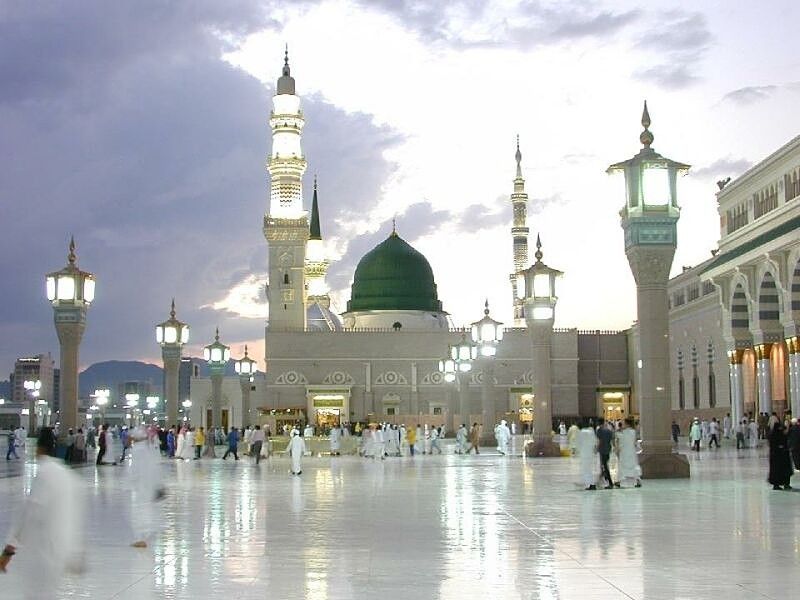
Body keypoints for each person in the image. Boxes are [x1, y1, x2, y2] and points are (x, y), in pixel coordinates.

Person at [0, 427, 86, 599]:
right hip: (60, 551)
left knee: (36, 594)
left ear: (39, 448)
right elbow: (74, 516)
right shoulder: (68, 475)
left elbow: (30, 512)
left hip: (42, 552)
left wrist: (9, 550)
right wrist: (75, 551)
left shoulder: (45, 473)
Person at [128, 426, 164, 548]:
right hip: (149, 484)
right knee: (147, 509)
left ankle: (141, 537)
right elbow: (155, 467)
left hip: (142, 486)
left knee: (140, 511)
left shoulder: (138, 450)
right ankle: (144, 535)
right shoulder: (147, 449)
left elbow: (135, 470)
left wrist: (132, 481)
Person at [615, 418, 641, 488]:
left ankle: (619, 481)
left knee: (622, 466)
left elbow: (621, 440)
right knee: (633, 465)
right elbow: (635, 442)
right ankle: (638, 480)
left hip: (624, 451)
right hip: (632, 451)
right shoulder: (633, 431)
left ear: (627, 424)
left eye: (624, 423)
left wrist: (617, 448)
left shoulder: (623, 432)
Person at [767, 422, 792, 490]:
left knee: (781, 471)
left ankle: (782, 484)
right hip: (779, 456)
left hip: (779, 456)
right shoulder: (777, 435)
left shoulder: (774, 435)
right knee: (780, 471)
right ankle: (779, 485)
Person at [577, 421, 598, 490]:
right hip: (590, 453)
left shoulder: (581, 432)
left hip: (584, 453)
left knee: (586, 469)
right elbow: (595, 442)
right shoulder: (591, 432)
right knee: (589, 469)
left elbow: (579, 443)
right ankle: (591, 484)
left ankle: (591, 484)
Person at [595, 418, 614, 489]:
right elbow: (611, 439)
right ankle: (604, 479)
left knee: (604, 466)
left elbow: (599, 440)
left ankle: (610, 482)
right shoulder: (609, 430)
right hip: (608, 449)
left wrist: (596, 448)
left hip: (602, 450)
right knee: (605, 465)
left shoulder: (599, 430)